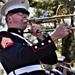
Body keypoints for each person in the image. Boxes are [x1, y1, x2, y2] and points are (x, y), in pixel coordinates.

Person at [0, 0, 72, 75]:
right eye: (21, 14)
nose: (25, 16)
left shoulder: (26, 41)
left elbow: (51, 60)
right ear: (9, 19)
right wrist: (53, 37)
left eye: (27, 14)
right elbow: (22, 56)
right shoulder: (4, 36)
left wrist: (41, 37)